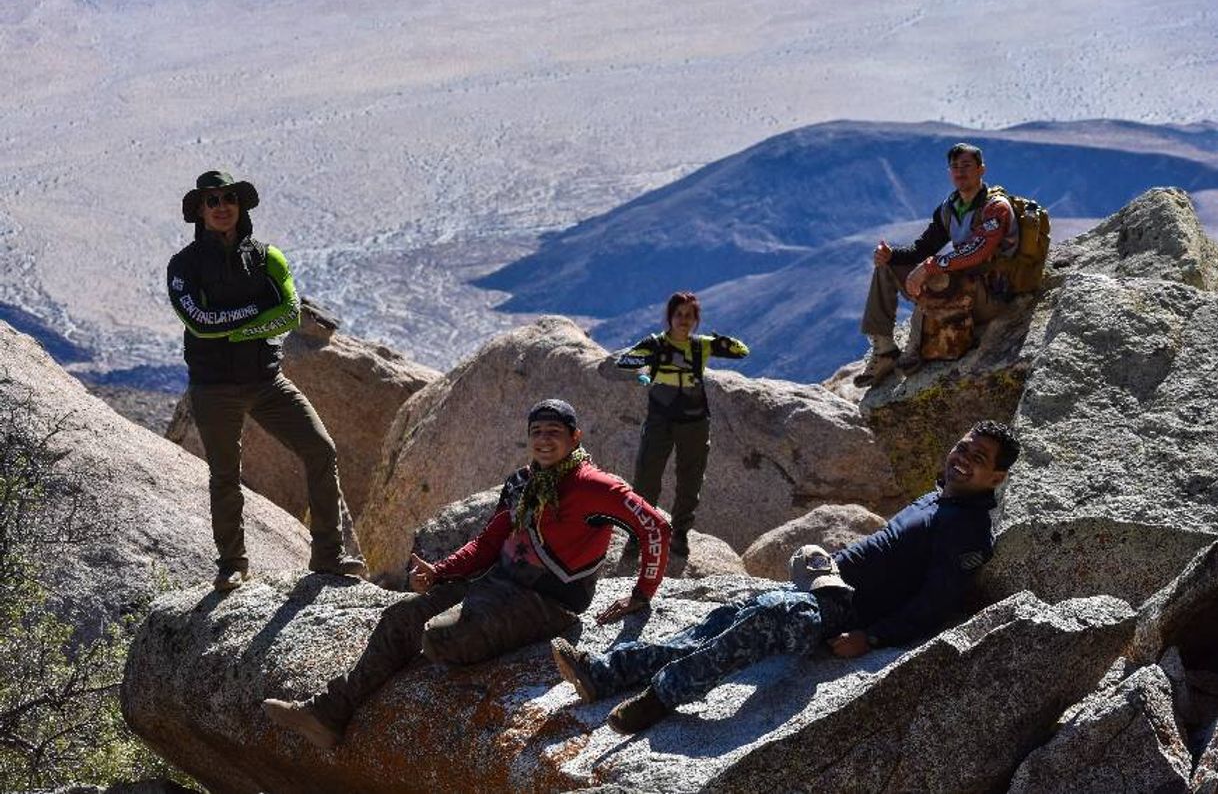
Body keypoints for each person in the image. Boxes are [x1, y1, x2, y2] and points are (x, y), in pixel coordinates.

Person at [551, 420, 1021, 734]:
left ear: (996, 478)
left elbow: (935, 603)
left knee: (761, 621)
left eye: (979, 457)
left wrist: (872, 637)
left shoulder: (969, 531)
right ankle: (606, 674)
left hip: (844, 613)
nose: (964, 456)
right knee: (723, 621)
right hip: (824, 590)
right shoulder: (943, 497)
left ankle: (660, 697)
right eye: (963, 445)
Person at [262, 399, 672, 749]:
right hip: (498, 585)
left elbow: (655, 527)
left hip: (550, 605)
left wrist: (642, 593)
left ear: (575, 438)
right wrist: (441, 572)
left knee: (439, 636)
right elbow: (489, 543)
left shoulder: (597, 487)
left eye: (554, 432)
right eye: (537, 432)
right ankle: (326, 715)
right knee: (400, 618)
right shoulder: (521, 483)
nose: (544, 440)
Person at [167, 170, 365, 591]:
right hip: (213, 387)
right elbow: (198, 323)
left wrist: (236, 329)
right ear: (200, 210)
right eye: (212, 200)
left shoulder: (267, 257)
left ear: (240, 205)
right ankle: (232, 564)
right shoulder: (183, 266)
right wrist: (255, 318)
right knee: (225, 475)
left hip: (266, 381)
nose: (222, 206)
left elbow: (290, 314)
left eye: (229, 199)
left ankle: (328, 556)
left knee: (321, 449)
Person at [854, 143, 1018, 387]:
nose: (960, 172)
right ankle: (885, 350)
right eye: (955, 167)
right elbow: (922, 248)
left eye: (967, 166)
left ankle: (915, 350)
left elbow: (978, 252)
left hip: (993, 294)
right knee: (886, 268)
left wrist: (931, 267)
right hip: (966, 286)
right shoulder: (950, 208)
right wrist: (892, 255)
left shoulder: (995, 208)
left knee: (935, 277)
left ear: (981, 169)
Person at [611, 291, 748, 557]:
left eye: (689, 315)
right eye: (679, 315)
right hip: (660, 418)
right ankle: (639, 535)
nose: (683, 320)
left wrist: (722, 341)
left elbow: (742, 351)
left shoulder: (701, 346)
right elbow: (625, 361)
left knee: (690, 480)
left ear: (696, 319)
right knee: (647, 477)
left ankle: (680, 534)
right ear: (670, 317)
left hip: (694, 420)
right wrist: (648, 362)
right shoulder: (656, 344)